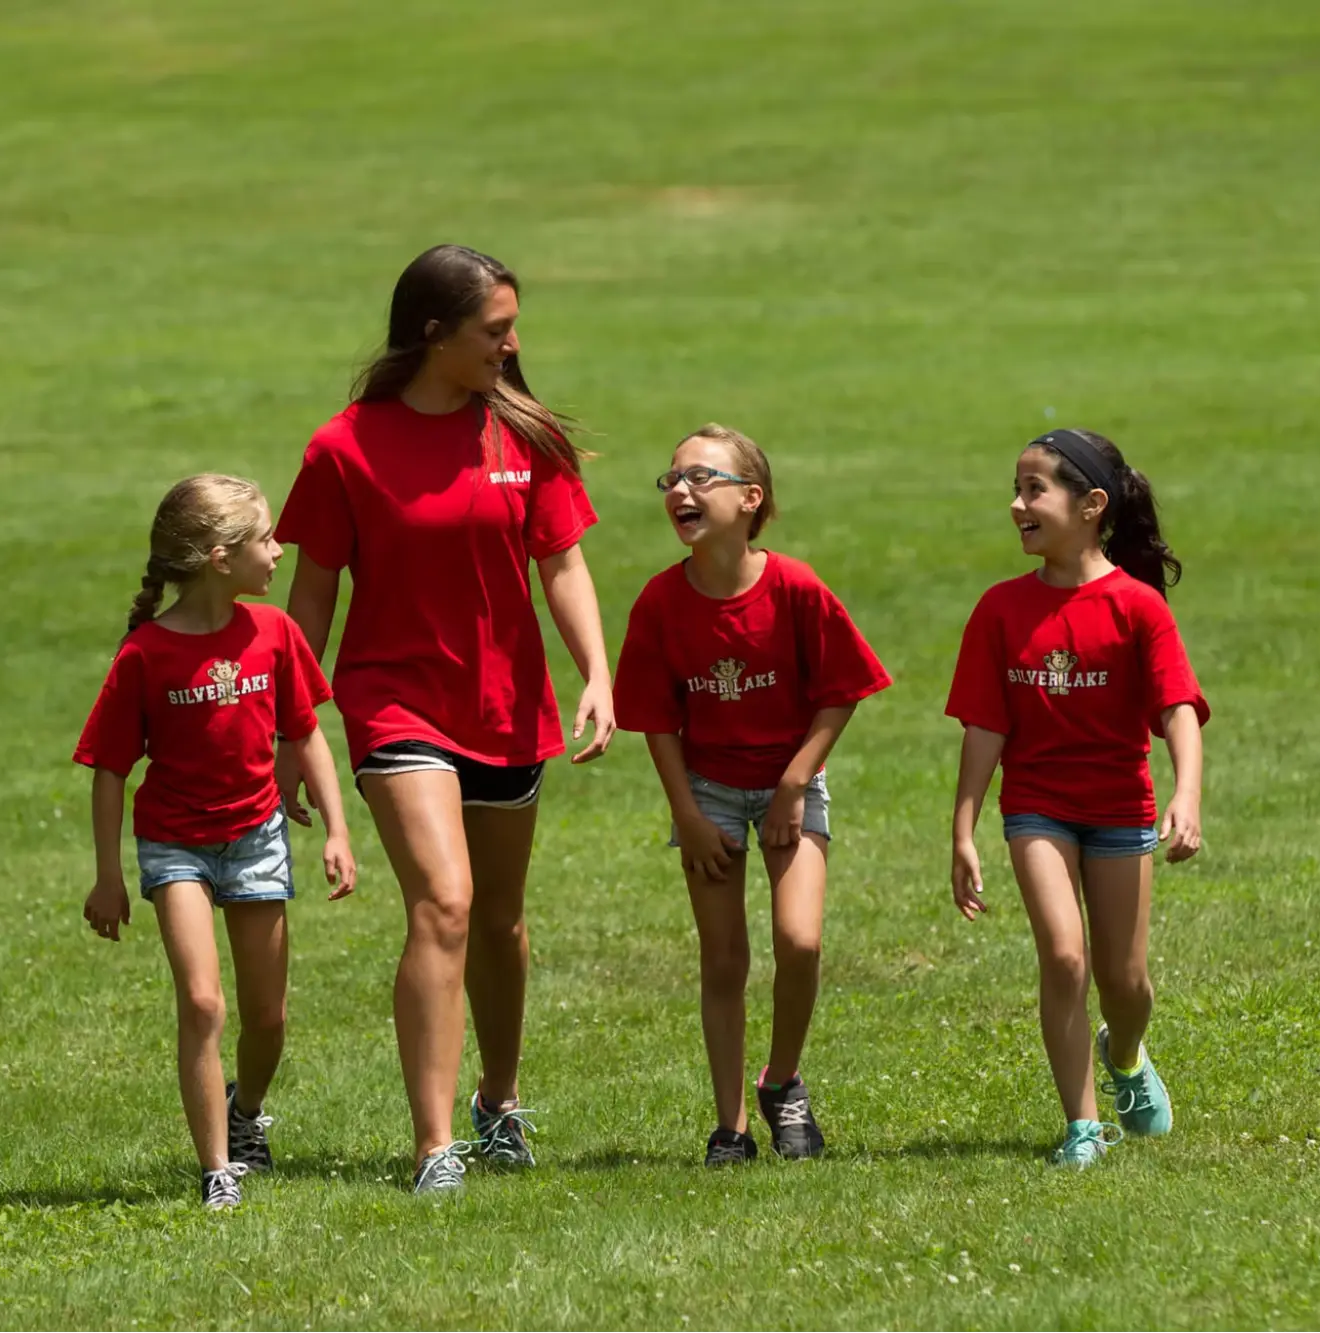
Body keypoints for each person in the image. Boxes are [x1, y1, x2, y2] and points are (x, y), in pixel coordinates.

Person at [275, 245, 616, 1194]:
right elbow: (312, 592)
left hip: (506, 703)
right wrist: (287, 719)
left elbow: (562, 564)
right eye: (493, 330)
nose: (510, 348)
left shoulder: (526, 435)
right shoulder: (343, 446)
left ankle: (497, 1103)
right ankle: (434, 1149)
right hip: (394, 701)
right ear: (434, 335)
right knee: (446, 902)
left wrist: (597, 670)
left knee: (500, 919)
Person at [75, 474, 357, 1210]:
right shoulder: (145, 654)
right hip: (175, 845)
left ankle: (246, 1110)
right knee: (202, 1002)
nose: (279, 549)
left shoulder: (275, 633)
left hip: (257, 836)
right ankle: (217, 1170)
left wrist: (337, 828)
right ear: (217, 557)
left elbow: (305, 733)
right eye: (265, 538)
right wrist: (107, 875)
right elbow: (109, 770)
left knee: (268, 1016)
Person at [613, 424, 892, 1166]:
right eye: (671, 478)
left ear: (750, 498)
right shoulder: (659, 603)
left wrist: (794, 785)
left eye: (702, 477)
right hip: (705, 790)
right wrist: (687, 815)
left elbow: (841, 693)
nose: (681, 489)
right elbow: (657, 721)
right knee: (723, 957)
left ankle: (785, 1079)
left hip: (787, 784)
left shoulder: (795, 587)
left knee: (799, 940)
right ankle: (730, 1125)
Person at [946, 428, 1209, 1169]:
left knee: (1124, 982)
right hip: (1036, 806)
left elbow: (1177, 711)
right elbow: (984, 727)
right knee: (1063, 957)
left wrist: (1186, 795)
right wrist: (963, 828)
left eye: (1035, 490)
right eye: (1016, 488)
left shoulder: (1136, 607)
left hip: (1119, 807)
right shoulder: (999, 610)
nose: (1017, 504)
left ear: (1091, 505)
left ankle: (1123, 1054)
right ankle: (1082, 1125)